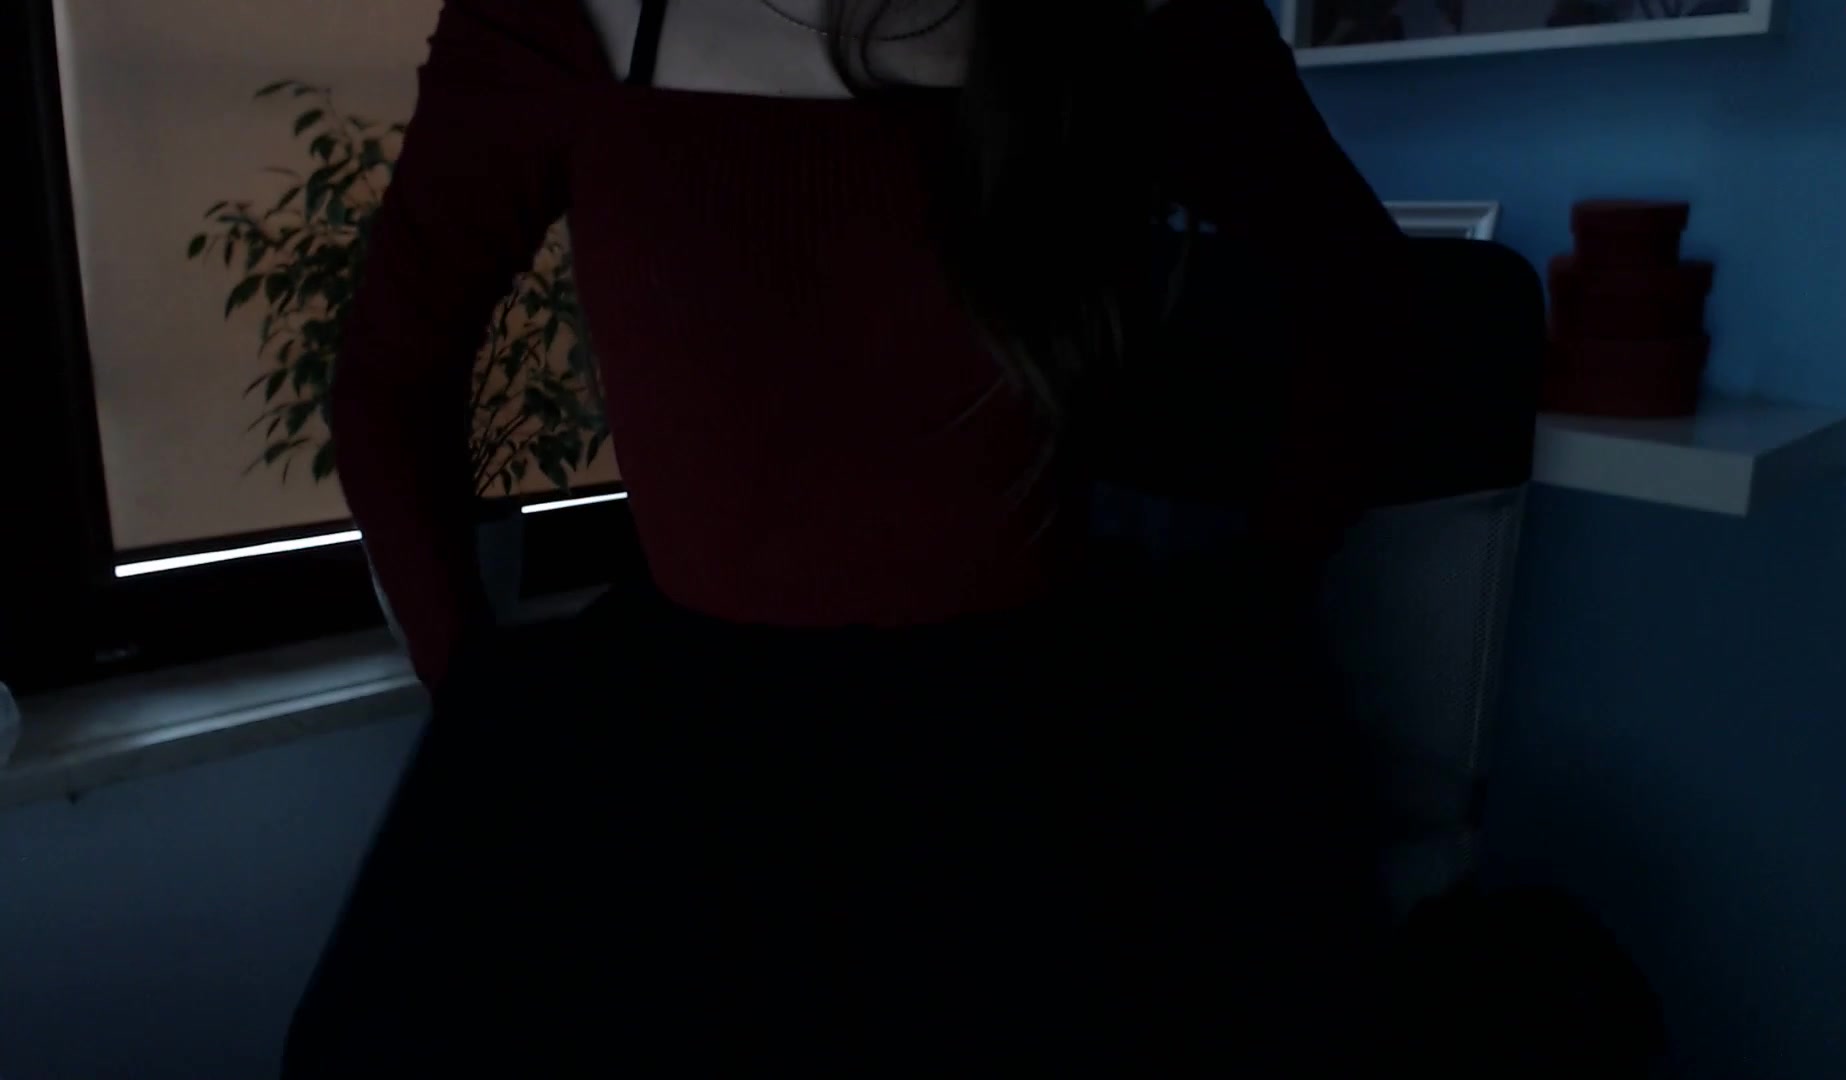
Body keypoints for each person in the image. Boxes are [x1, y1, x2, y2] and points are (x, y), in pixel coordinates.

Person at [284, 0, 1413, 1074]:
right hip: (695, 767)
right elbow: (389, 381)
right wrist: (480, 708)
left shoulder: (1132, 18)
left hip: (1046, 772)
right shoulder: (566, 18)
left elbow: (1367, 311)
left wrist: (1248, 616)